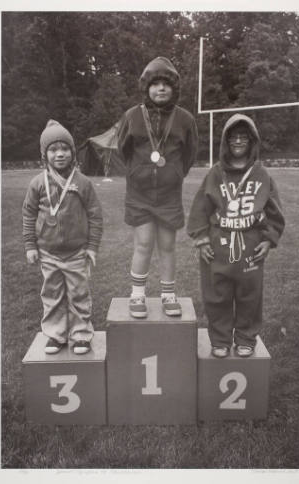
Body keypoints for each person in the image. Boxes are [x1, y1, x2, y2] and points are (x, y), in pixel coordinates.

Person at [187, 113, 285, 358]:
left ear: (252, 141)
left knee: (249, 296)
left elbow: (274, 212)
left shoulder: (262, 175)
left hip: (250, 246)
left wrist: (268, 239)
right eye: (234, 137)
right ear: (226, 141)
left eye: (244, 136)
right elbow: (200, 208)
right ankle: (220, 339)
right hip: (218, 245)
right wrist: (201, 239)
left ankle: (245, 337)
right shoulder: (215, 173)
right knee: (216, 295)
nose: (239, 141)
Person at [118, 56, 198, 318]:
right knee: (142, 245)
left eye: (166, 83)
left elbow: (190, 154)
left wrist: (174, 174)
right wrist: (138, 173)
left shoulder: (185, 119)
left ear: (174, 88)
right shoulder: (132, 115)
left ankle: (168, 295)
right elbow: (123, 149)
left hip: (168, 196)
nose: (161, 88)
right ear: (146, 88)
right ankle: (137, 295)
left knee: (167, 245)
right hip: (139, 195)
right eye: (155, 83)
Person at [22, 120, 103, 355]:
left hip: (77, 253)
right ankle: (56, 335)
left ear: (73, 152)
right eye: (53, 149)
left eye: (65, 148)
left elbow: (96, 217)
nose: (60, 154)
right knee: (53, 295)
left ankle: (80, 335)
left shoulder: (83, 182)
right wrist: (30, 245)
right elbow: (28, 214)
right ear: (44, 154)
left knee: (79, 294)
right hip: (47, 253)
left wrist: (92, 248)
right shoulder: (37, 183)